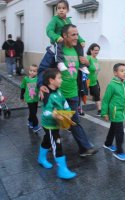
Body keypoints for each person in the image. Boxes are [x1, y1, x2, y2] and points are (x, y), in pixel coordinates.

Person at [38, 24, 98, 157]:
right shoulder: (54, 51)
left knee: (74, 121)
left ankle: (84, 147)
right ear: (64, 36)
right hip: (58, 95)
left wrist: (86, 63)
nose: (76, 37)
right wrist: (40, 84)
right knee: (54, 124)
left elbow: (85, 68)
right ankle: (48, 146)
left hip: (73, 93)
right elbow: (42, 69)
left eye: (77, 34)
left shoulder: (78, 50)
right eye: (73, 35)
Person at [38, 68, 76, 179]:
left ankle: (41, 158)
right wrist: (53, 115)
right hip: (49, 125)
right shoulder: (46, 95)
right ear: (51, 80)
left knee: (47, 140)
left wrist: (68, 111)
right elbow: (45, 112)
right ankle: (62, 169)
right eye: (59, 78)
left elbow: (64, 102)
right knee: (56, 144)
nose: (61, 80)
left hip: (56, 123)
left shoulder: (58, 90)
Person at [101, 63, 125, 161]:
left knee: (113, 128)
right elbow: (106, 100)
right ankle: (119, 151)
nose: (124, 72)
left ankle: (107, 143)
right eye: (121, 71)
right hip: (115, 112)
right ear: (115, 73)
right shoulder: (112, 85)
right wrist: (105, 113)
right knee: (120, 132)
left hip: (122, 111)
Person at [46, 0, 89, 74]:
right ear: (56, 10)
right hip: (58, 40)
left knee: (79, 45)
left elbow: (73, 31)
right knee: (59, 44)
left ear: (67, 10)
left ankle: (81, 66)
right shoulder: (54, 19)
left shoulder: (68, 20)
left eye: (63, 8)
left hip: (67, 41)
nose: (61, 10)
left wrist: (81, 40)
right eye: (59, 8)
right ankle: (60, 63)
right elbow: (49, 30)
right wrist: (56, 37)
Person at [20, 64, 41, 133]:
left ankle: (30, 121)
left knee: (33, 112)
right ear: (29, 70)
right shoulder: (26, 79)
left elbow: (40, 88)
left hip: (35, 98)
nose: (32, 72)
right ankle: (35, 126)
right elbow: (23, 87)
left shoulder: (38, 79)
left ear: (37, 72)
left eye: (34, 71)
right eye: (30, 70)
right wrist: (21, 96)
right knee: (33, 112)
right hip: (29, 99)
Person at [86, 43, 101, 116]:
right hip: (86, 81)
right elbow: (83, 67)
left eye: (98, 50)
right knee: (81, 95)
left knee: (97, 95)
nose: (97, 52)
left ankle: (99, 110)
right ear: (91, 50)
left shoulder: (96, 59)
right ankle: (78, 110)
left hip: (94, 81)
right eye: (95, 50)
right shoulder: (89, 58)